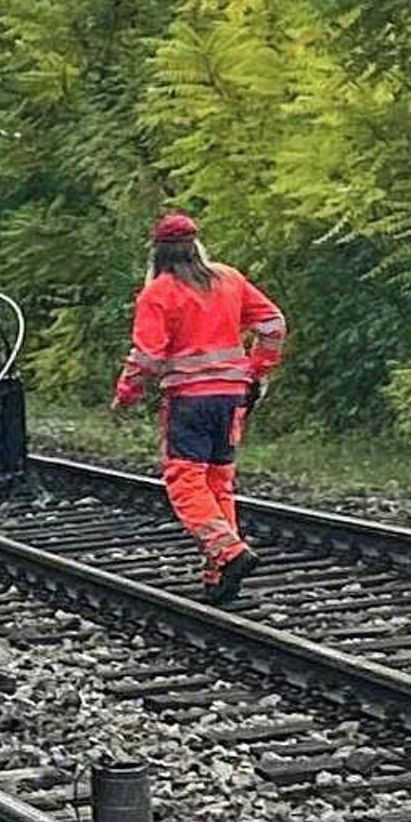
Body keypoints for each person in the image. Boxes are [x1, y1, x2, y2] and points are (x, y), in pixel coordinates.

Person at [111, 212, 286, 604]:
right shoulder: (229, 279)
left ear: (157, 253)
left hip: (190, 402)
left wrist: (126, 395)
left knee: (186, 481)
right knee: (218, 481)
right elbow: (273, 325)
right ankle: (219, 572)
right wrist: (257, 371)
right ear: (197, 246)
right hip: (232, 398)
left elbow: (147, 358)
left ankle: (230, 552)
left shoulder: (158, 293)